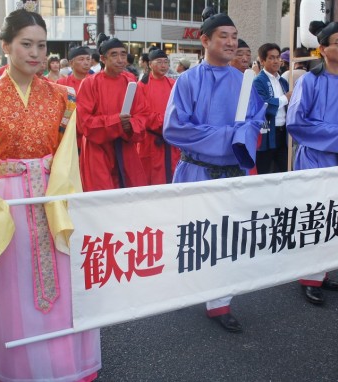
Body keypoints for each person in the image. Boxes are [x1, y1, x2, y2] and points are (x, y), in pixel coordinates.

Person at [0, 9, 101, 380]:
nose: (35, 53)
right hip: (6, 203)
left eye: (41, 45)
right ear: (5, 46)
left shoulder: (62, 96)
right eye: (26, 44)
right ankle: (17, 368)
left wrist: (64, 203)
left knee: (62, 282)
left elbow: (68, 159)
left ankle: (66, 363)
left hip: (53, 197)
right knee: (12, 288)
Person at [163, 10, 265, 333]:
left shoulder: (245, 82)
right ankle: (182, 288)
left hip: (232, 173)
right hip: (196, 170)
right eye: (224, 36)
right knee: (192, 234)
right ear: (205, 40)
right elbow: (175, 128)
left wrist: (239, 136)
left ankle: (220, 302)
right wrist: (227, 137)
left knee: (227, 240)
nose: (232, 43)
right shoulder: (187, 81)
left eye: (235, 37)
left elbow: (253, 125)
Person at [286, 20, 338, 305]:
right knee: (314, 215)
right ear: (322, 49)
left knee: (335, 215)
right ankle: (308, 276)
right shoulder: (309, 81)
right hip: (314, 158)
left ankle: (321, 272)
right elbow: (296, 123)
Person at [78, 35, 149, 191]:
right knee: (102, 197)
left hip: (125, 147)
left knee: (131, 195)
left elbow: (142, 113)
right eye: (114, 55)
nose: (120, 59)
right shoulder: (90, 83)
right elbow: (84, 123)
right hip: (98, 150)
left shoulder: (130, 81)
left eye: (123, 54)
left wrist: (130, 124)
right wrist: (117, 121)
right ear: (103, 58)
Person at [137, 48, 179, 185]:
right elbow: (142, 113)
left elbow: (179, 108)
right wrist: (165, 122)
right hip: (150, 140)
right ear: (150, 64)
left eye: (166, 62)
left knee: (172, 176)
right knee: (149, 178)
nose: (163, 65)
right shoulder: (142, 86)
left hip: (171, 139)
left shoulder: (173, 84)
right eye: (159, 62)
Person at [253, 42, 290, 174]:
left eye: (277, 57)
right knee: (264, 172)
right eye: (271, 58)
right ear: (262, 61)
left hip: (283, 132)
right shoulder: (258, 81)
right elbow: (263, 105)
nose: (276, 61)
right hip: (267, 133)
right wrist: (286, 98)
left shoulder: (283, 81)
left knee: (284, 171)